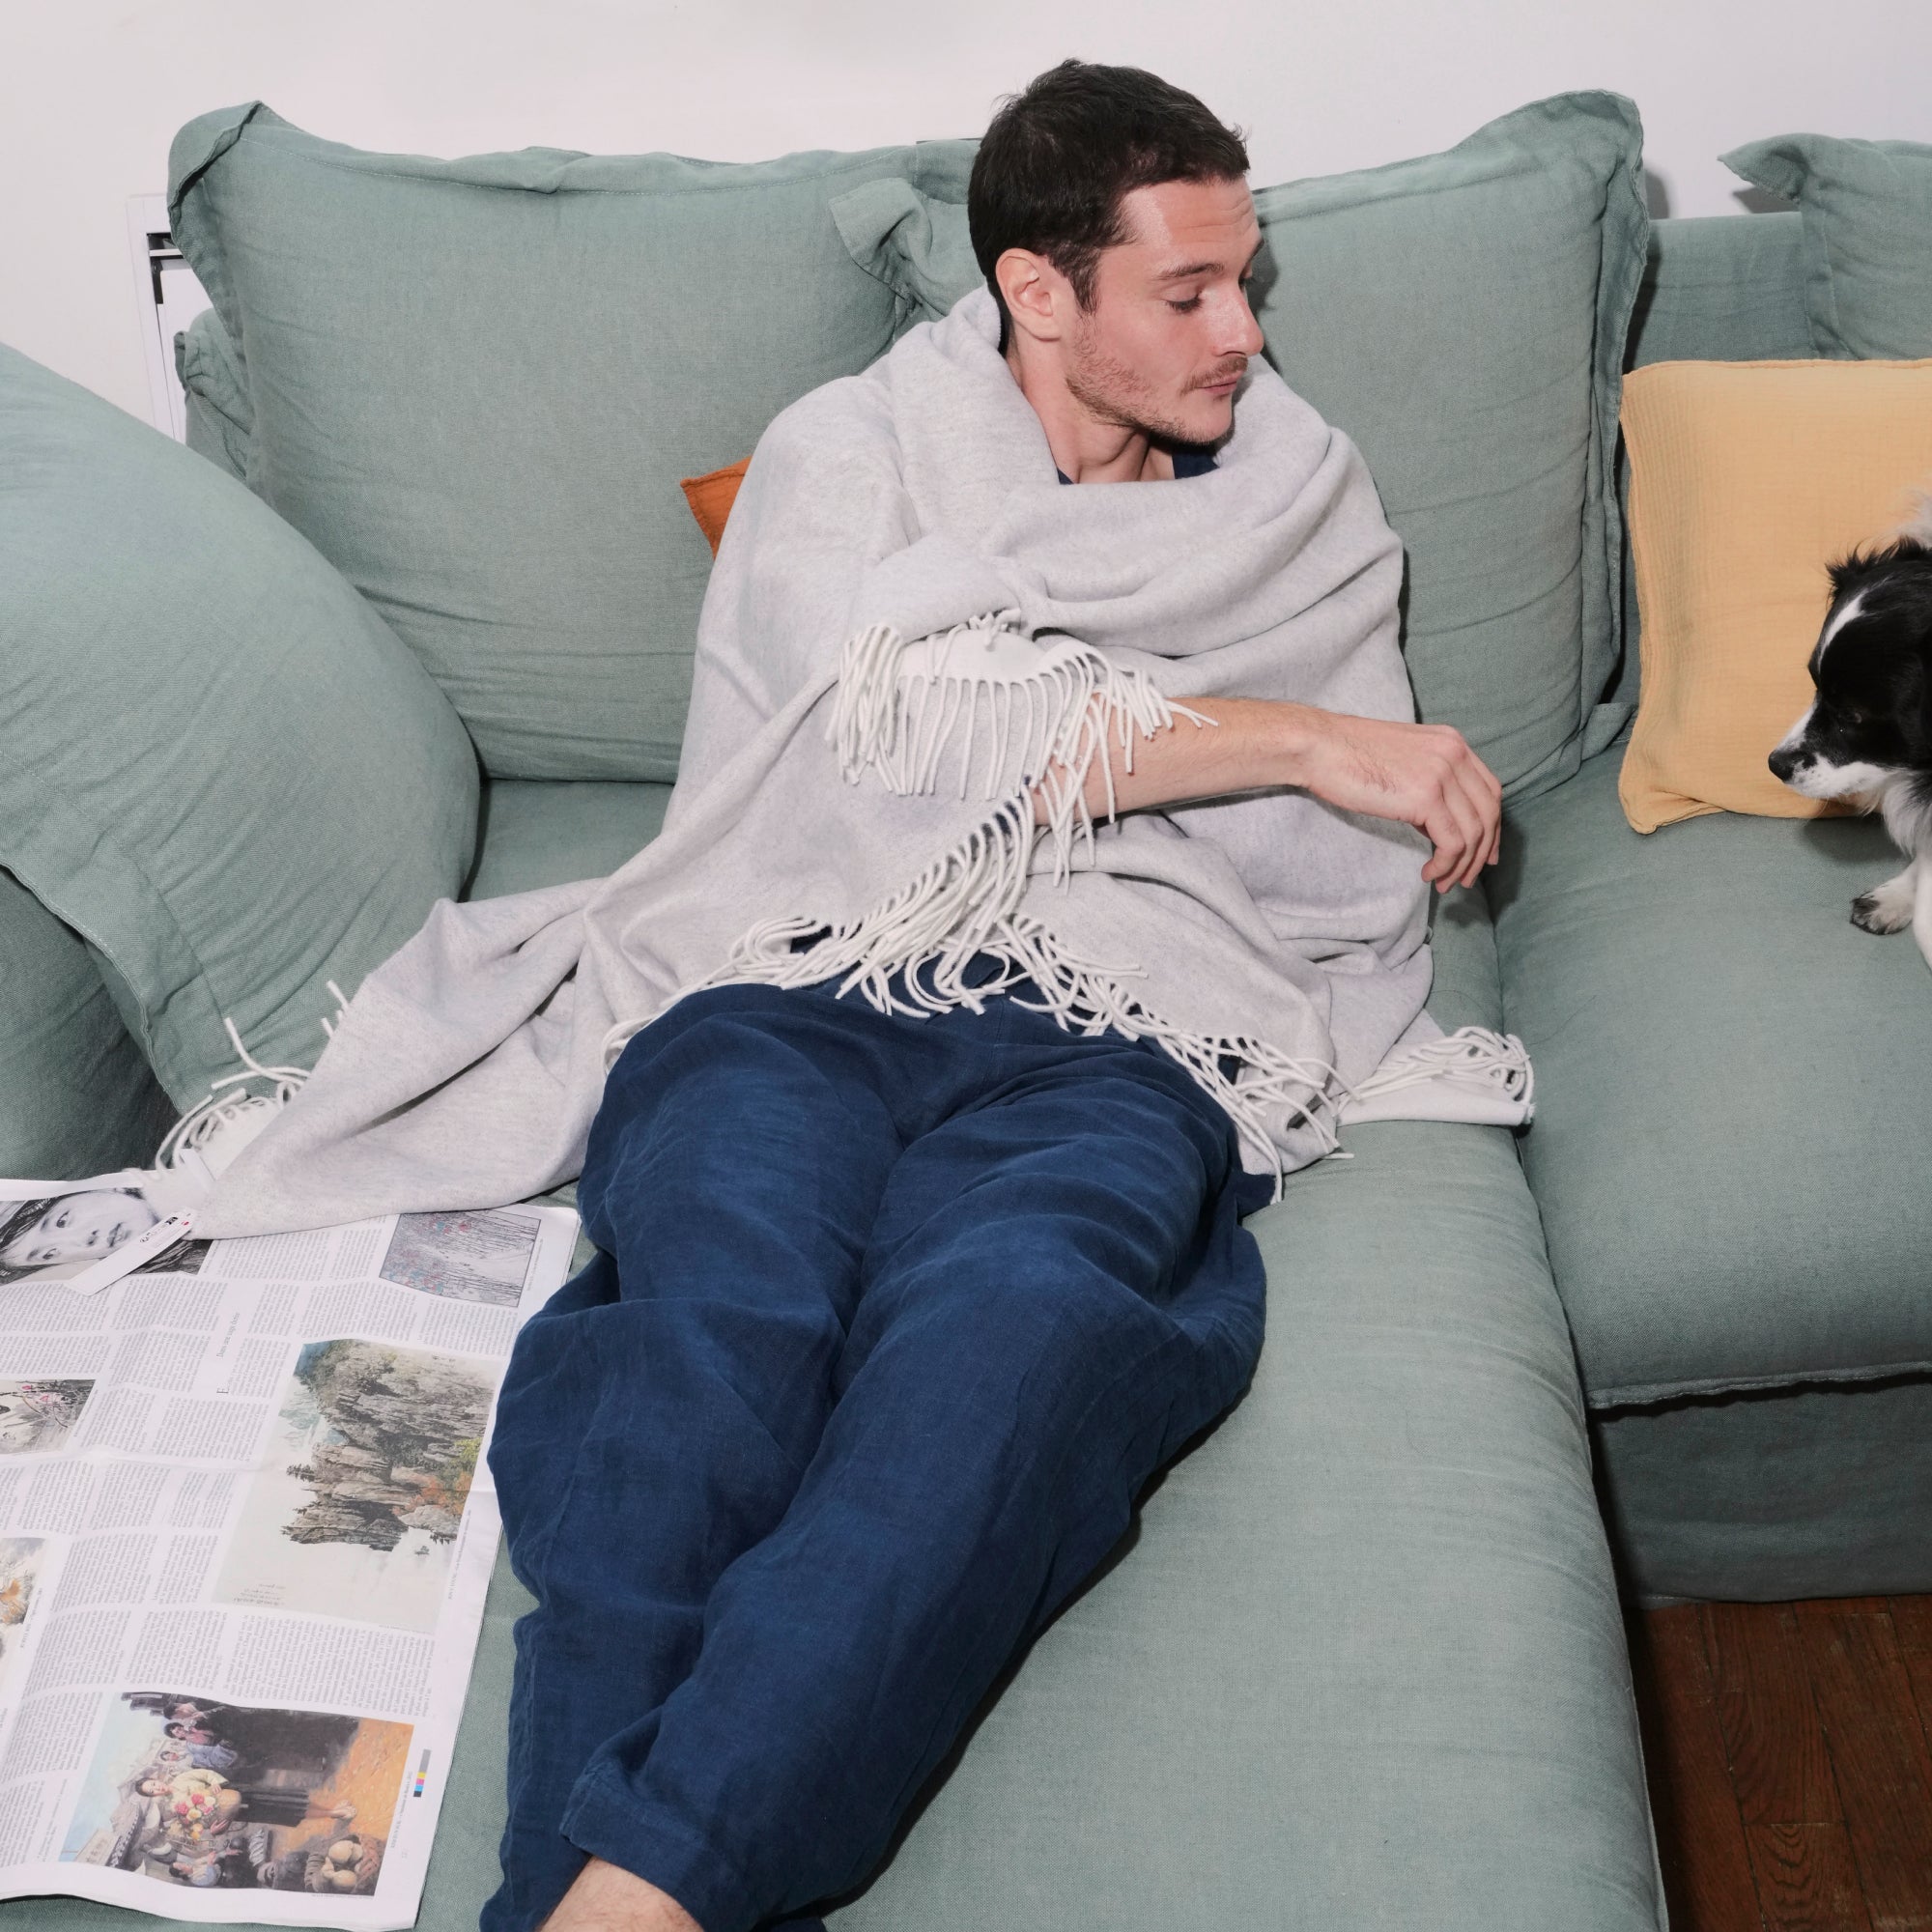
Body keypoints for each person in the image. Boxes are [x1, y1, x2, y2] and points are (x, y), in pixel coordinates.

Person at [474, 58, 1502, 1932]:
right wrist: (1303, 739)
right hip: (809, 965)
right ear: (1041, 292)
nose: (1240, 334)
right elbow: (909, 734)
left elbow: (1330, 875)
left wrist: (1329, 773)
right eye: (1186, 292)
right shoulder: (842, 452)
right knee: (710, 1334)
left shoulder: (1300, 481)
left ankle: (606, 1901)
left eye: (1245, 279)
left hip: (1128, 1010)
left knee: (1017, 1338)